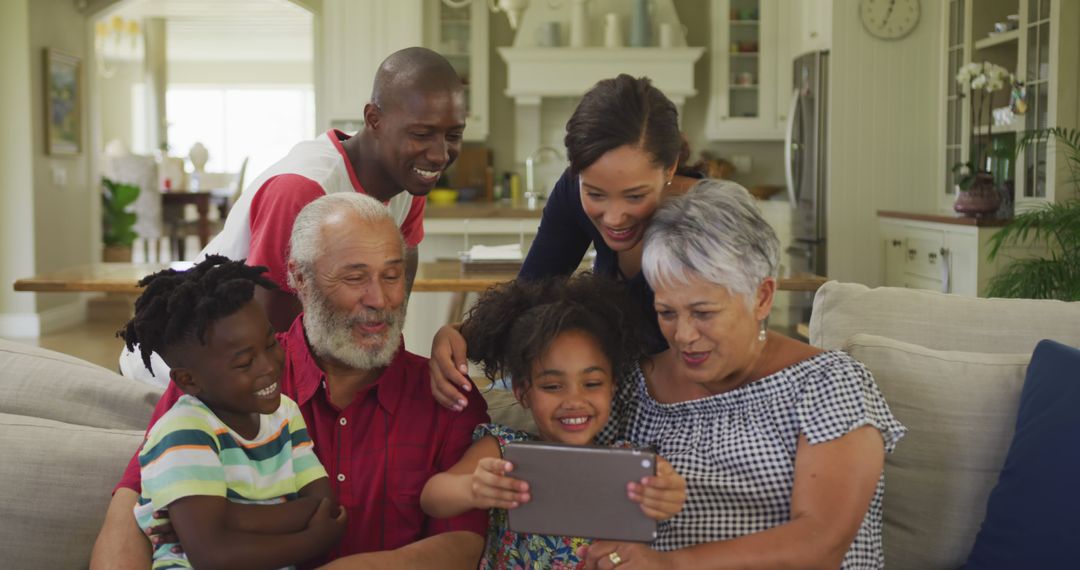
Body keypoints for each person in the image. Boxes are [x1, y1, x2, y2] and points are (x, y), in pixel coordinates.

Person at [91, 193, 490, 569]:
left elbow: (461, 544)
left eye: (391, 275)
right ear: (300, 279)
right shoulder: (214, 384)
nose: (380, 299)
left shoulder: (447, 398)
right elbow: (132, 510)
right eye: (355, 278)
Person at [580, 180, 906, 569]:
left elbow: (822, 543)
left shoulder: (828, 384)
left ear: (762, 297)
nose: (683, 335)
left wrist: (671, 565)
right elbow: (573, 483)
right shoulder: (631, 387)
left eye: (703, 313)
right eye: (667, 312)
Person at [122, 45, 466, 383]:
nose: (439, 155)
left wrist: (382, 358)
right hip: (190, 364)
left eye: (453, 135)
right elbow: (274, 331)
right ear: (373, 119)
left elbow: (403, 265)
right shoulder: (303, 189)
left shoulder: (407, 178)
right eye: (422, 134)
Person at [430, 74, 699, 411]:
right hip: (602, 400)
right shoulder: (571, 192)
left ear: (670, 167)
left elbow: (724, 353)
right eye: (595, 193)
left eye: (635, 195)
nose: (614, 218)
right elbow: (530, 294)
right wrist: (459, 336)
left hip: (684, 403)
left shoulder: (707, 219)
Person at [419, 275, 686, 569]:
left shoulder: (627, 461)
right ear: (522, 392)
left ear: (613, 386)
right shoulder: (504, 449)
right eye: (552, 386)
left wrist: (669, 495)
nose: (574, 400)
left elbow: (666, 498)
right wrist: (473, 488)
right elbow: (433, 496)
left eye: (592, 383)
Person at [121, 256, 346, 568]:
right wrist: (312, 540)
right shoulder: (184, 432)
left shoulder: (286, 414)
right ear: (189, 380)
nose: (268, 366)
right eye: (244, 363)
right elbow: (212, 555)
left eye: (269, 345)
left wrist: (231, 516)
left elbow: (325, 505)